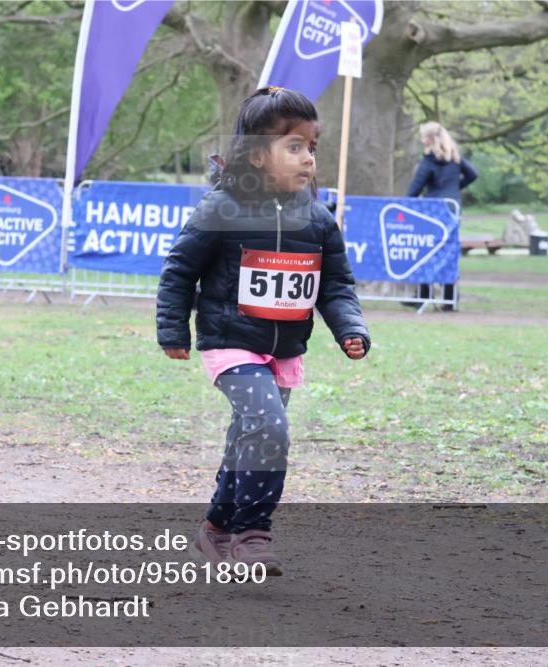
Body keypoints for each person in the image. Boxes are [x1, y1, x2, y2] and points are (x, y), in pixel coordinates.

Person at [156, 87, 370, 575]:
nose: (308, 158)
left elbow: (335, 284)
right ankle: (253, 532)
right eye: (293, 147)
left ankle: (215, 529)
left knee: (249, 439)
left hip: (284, 350)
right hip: (230, 343)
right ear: (256, 155)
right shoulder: (222, 209)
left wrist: (349, 328)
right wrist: (173, 330)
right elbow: (179, 270)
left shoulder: (317, 219)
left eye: (312, 148)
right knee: (269, 428)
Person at [406, 121, 478, 310]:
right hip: (452, 210)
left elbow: (415, 189)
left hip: (433, 211)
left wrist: (407, 202)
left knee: (426, 250)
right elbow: (473, 174)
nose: (422, 140)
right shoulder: (455, 158)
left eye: (423, 137)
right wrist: (454, 190)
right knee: (449, 252)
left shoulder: (429, 161)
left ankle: (422, 295)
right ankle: (449, 299)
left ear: (430, 139)